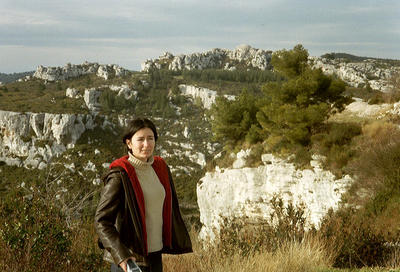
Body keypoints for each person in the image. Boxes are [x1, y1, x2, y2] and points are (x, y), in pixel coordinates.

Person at [95, 118, 192, 272]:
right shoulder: (120, 175)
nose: (146, 144)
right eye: (140, 139)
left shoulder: (160, 168)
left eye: (150, 138)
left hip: (155, 256)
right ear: (129, 143)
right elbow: (102, 221)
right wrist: (122, 256)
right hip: (130, 260)